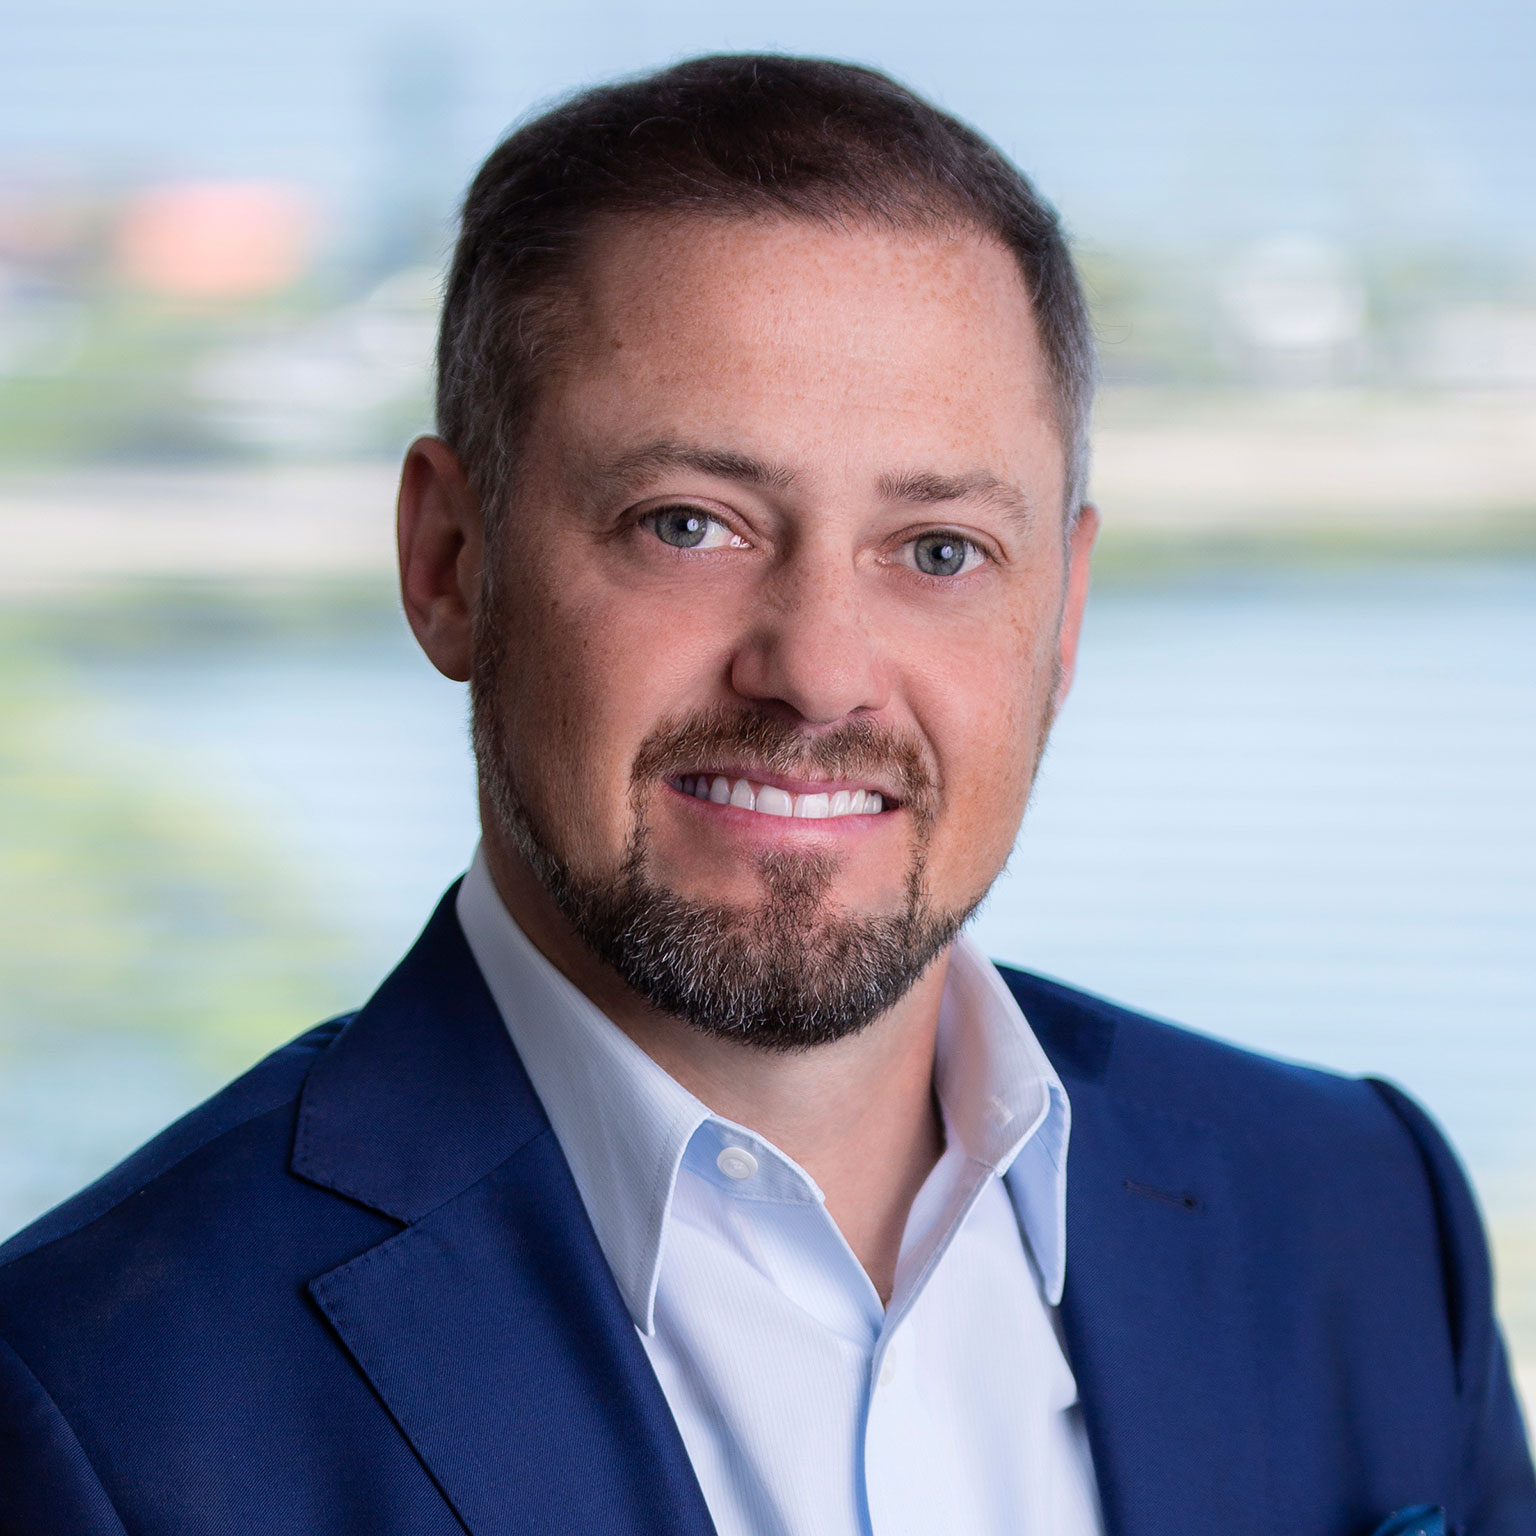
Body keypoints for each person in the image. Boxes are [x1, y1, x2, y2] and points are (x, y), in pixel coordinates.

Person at [0, 53, 1530, 1536]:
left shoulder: (1363, 1218)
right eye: (690, 524)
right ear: (450, 565)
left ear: (1061, 618)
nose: (818, 673)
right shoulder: (89, 1407)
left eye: (939, 550)